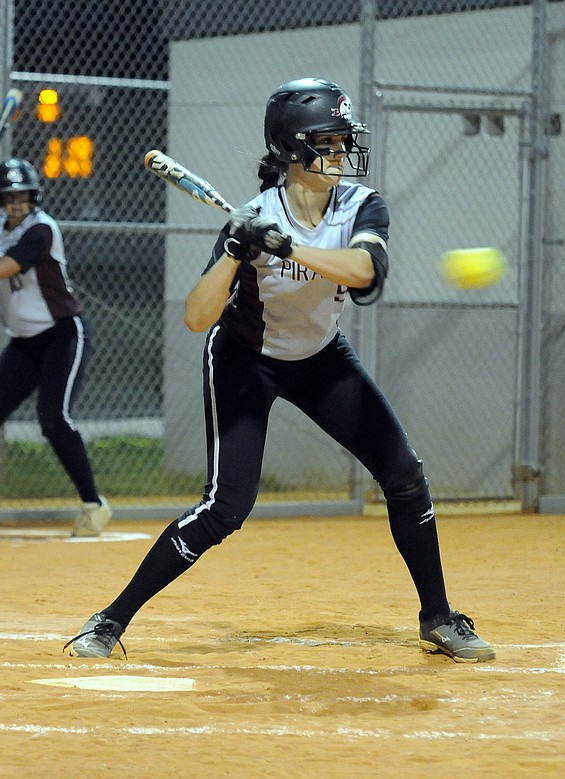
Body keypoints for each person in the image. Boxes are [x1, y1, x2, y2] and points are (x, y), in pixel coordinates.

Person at [64, 78, 494, 662]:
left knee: (404, 475)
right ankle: (109, 621)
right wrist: (239, 250)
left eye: (346, 139)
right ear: (294, 150)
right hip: (246, 361)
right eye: (330, 140)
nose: (343, 150)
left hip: (320, 358)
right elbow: (196, 317)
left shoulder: (362, 205)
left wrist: (288, 248)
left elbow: (364, 270)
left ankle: (439, 618)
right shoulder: (252, 219)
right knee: (226, 508)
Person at [0, 158, 111, 538]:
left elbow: (0, 268)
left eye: (23, 196)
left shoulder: (41, 230)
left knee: (53, 419)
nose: (16, 204)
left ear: (34, 197)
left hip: (63, 334)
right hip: (24, 343)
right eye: (9, 197)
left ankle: (94, 506)